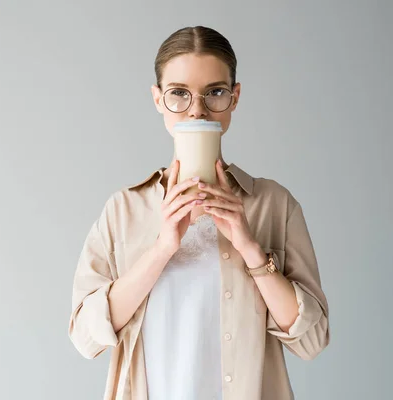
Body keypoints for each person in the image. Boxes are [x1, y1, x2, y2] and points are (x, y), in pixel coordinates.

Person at [68, 26, 329, 400]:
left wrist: (251, 248)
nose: (197, 109)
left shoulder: (274, 204)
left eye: (215, 92)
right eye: (179, 93)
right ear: (158, 99)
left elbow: (313, 339)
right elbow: (84, 337)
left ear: (235, 97)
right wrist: (162, 249)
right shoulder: (123, 209)